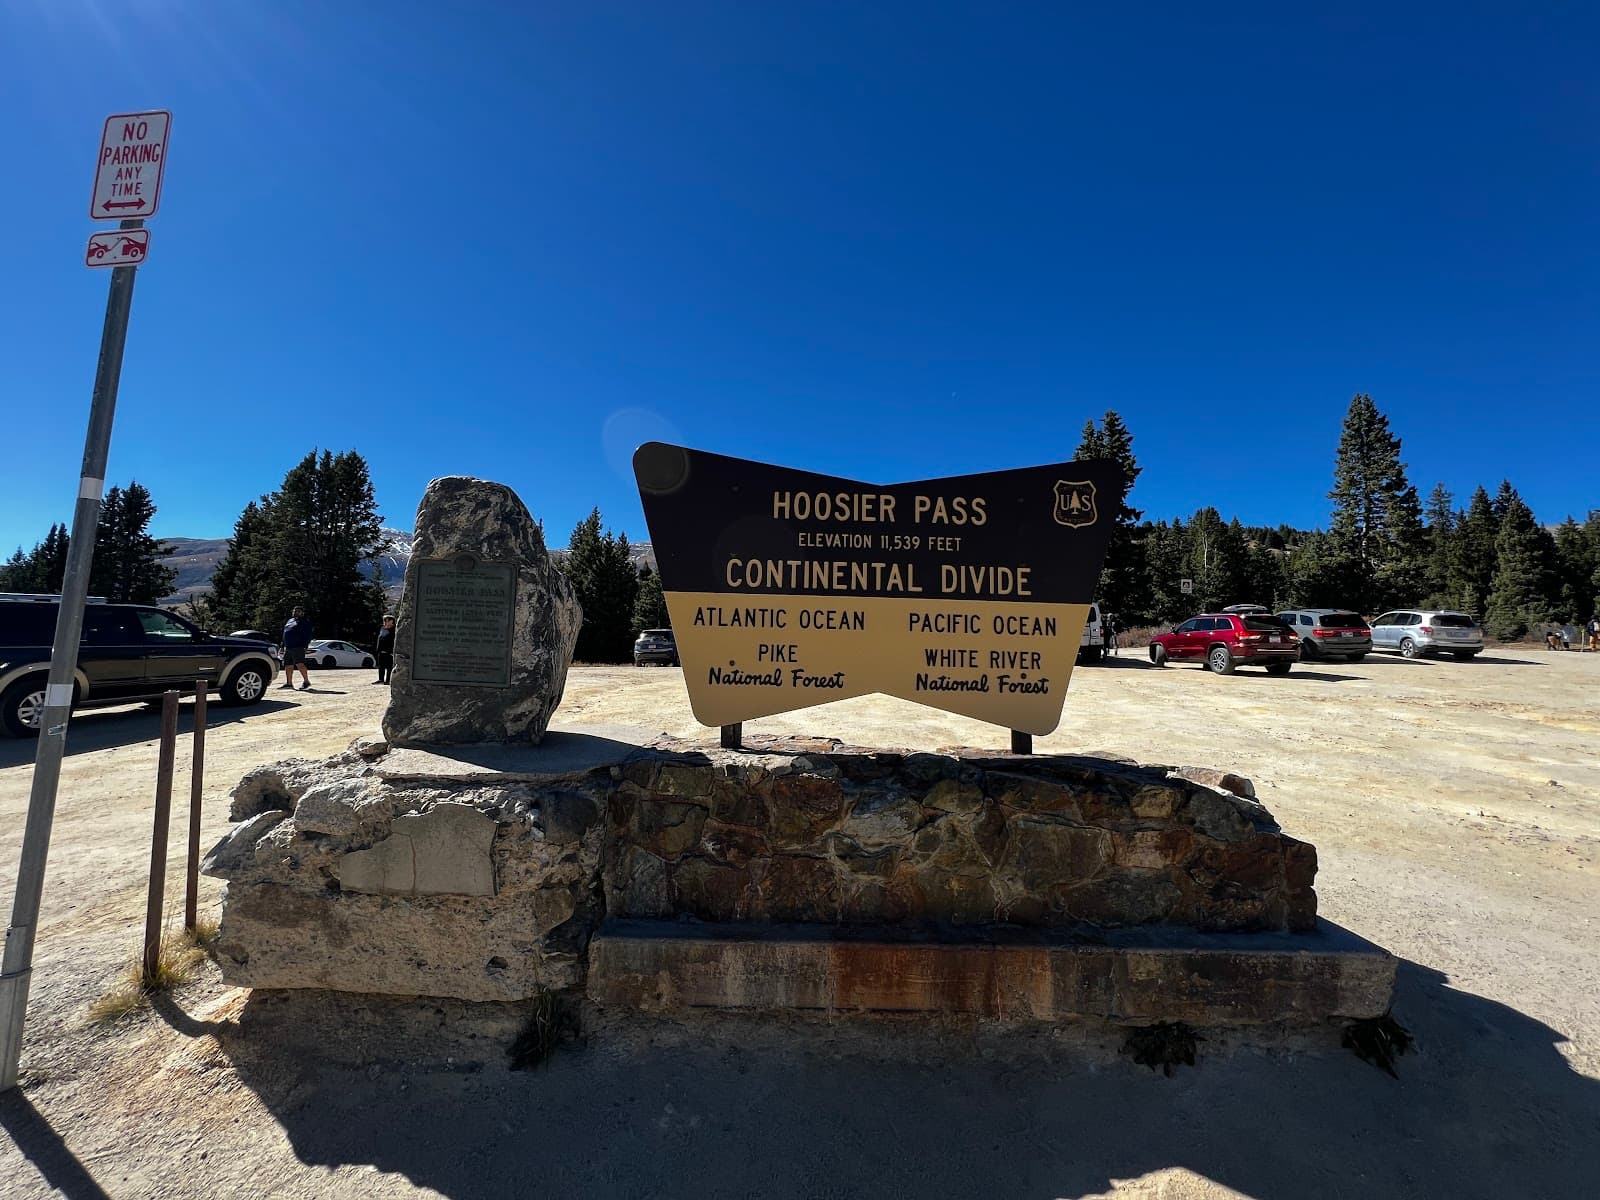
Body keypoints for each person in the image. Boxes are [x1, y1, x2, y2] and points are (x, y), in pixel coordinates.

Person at [280, 605, 314, 691]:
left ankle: (306, 681)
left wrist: (305, 646)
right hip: (288, 647)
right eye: (294, 611)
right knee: (288, 665)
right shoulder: (290, 621)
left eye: (298, 611)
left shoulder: (305, 622)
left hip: (298, 646)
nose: (295, 612)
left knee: (299, 664)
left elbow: (308, 635)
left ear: (302, 613)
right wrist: (282, 646)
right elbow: (285, 633)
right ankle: (289, 683)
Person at [374, 613, 396, 684]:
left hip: (389, 652)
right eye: (384, 621)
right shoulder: (382, 628)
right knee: (381, 667)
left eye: (386, 620)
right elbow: (379, 639)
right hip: (381, 652)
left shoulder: (395, 630)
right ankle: (381, 679)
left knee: (389, 668)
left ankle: (388, 680)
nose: (385, 622)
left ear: (391, 621)